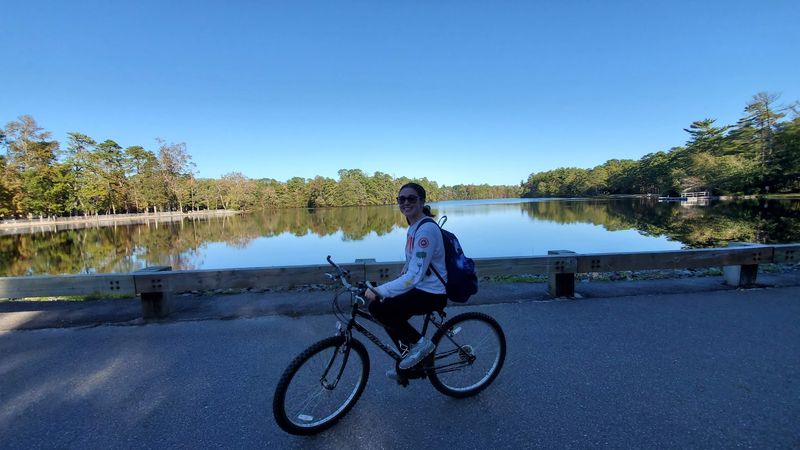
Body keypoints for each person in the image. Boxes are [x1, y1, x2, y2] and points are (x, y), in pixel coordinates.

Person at [365, 182, 448, 376]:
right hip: (422, 286)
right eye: (401, 199)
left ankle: (422, 346)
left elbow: (415, 275)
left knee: (379, 307)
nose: (405, 202)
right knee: (384, 310)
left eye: (411, 198)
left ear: (422, 201)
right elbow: (413, 262)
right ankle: (410, 362)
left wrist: (380, 290)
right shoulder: (414, 226)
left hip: (432, 292)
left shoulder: (425, 230)